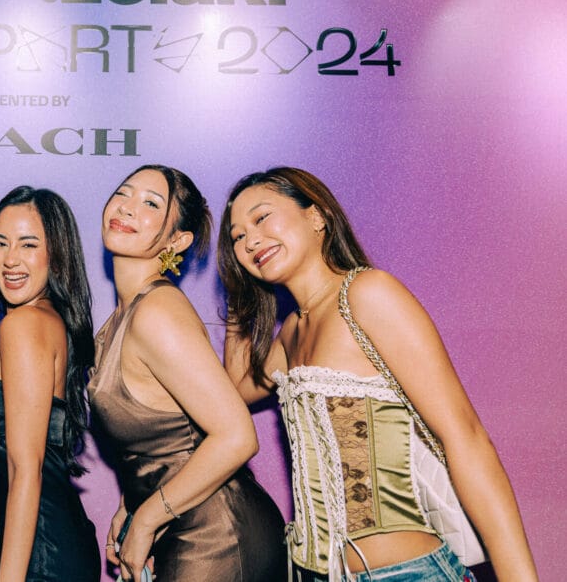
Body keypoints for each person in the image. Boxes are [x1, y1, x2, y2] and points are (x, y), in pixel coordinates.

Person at [217, 166, 538, 582]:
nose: (250, 240)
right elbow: (234, 391)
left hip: (405, 573)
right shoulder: (293, 330)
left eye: (262, 218)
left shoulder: (368, 293)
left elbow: (466, 437)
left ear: (316, 216)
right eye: (237, 237)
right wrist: (238, 291)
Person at [88, 164, 287, 582]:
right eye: (123, 193)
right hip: (182, 522)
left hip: (219, 533)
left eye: (150, 203)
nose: (127, 207)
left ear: (176, 240)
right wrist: (131, 505)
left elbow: (237, 436)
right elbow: (165, 436)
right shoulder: (117, 322)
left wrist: (146, 519)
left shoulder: (157, 312)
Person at [0, 186, 100, 582]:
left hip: (36, 554)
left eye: (28, 244)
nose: (10, 259)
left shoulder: (24, 324)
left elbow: (26, 468)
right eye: (0, 243)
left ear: (56, 253)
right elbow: (2, 448)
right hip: (34, 543)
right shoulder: (48, 319)